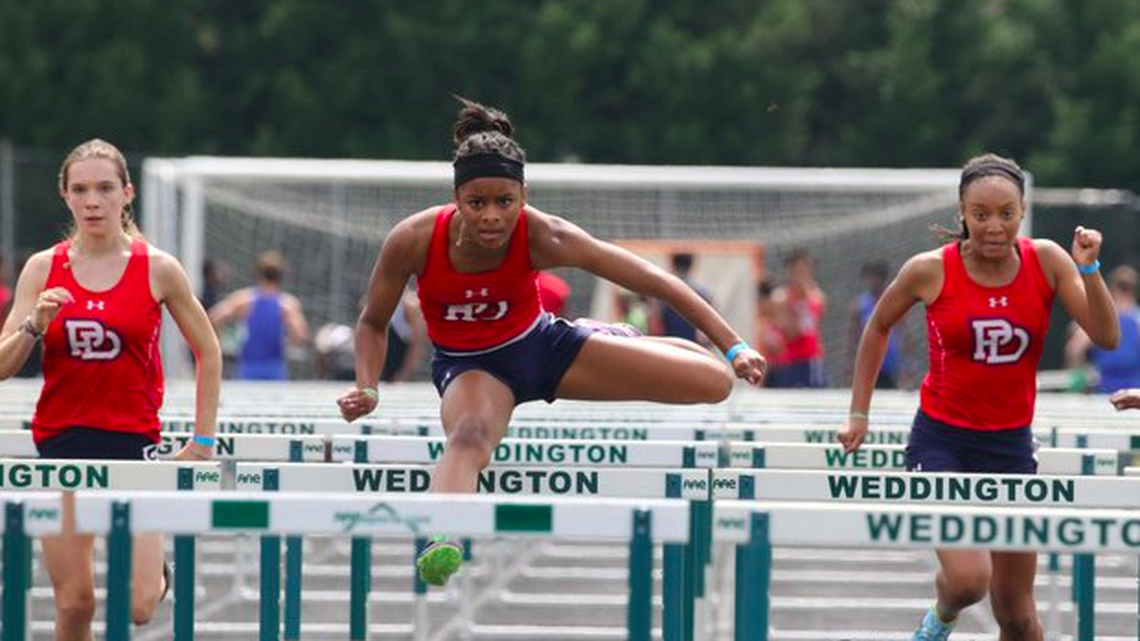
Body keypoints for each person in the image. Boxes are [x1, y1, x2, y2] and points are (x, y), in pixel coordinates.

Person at [337, 97, 766, 588]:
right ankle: (444, 539)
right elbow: (372, 322)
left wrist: (734, 347)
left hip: (544, 349)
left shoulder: (545, 235)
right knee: (469, 437)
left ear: (524, 195)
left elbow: (653, 280)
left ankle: (608, 336)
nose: (492, 217)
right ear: (457, 199)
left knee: (714, 383)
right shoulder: (412, 239)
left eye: (505, 202)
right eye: (477, 203)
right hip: (473, 368)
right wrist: (368, 387)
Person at [838, 153, 1118, 641]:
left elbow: (1106, 337)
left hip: (1010, 446)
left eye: (1007, 214)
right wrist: (859, 412)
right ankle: (942, 613)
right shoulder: (930, 270)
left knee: (1018, 615)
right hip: (942, 441)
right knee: (970, 581)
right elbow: (878, 326)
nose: (994, 226)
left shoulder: (1047, 259)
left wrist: (1089, 268)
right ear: (962, 214)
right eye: (981, 214)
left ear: (1022, 211)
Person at [0, 139, 222, 639]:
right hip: (61, 445)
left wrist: (203, 442)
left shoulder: (158, 268)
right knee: (75, 604)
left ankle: (157, 573)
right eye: (80, 190)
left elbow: (208, 351)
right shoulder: (42, 268)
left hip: (132, 446)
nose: (92, 201)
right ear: (65, 197)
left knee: (139, 606)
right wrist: (33, 326)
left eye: (104, 189)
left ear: (127, 193)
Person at [208, 250, 310, 380]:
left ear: (259, 274)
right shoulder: (286, 304)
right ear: (281, 277)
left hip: (248, 367)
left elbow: (213, 317)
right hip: (274, 368)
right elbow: (300, 336)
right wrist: (287, 340)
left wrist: (218, 345)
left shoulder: (244, 300)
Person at [1064, 264, 1140, 394]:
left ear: (1112, 290)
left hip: (1106, 391)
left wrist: (1078, 382)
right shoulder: (1137, 319)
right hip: (1135, 391)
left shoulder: (1102, 319)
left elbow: (1075, 350)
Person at [767, 248, 827, 387]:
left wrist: (804, 297)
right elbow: (792, 333)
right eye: (798, 270)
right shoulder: (780, 298)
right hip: (790, 362)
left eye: (806, 270)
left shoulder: (817, 296)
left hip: (812, 360)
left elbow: (811, 325)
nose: (802, 275)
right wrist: (792, 304)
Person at [846, 260, 911, 389]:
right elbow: (853, 336)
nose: (873, 282)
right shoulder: (860, 305)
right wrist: (850, 365)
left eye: (876, 278)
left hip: (889, 364)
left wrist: (905, 367)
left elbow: (903, 335)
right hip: (867, 363)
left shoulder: (893, 303)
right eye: (869, 278)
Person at [658, 252, 714, 344]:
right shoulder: (703, 295)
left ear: (672, 264)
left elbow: (655, 326)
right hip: (694, 349)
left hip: (669, 348)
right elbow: (708, 334)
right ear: (692, 265)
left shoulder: (662, 293)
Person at [380, 286, 428, 382]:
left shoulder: (411, 306)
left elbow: (417, 345)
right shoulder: (382, 301)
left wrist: (404, 374)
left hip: (400, 367)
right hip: (384, 367)